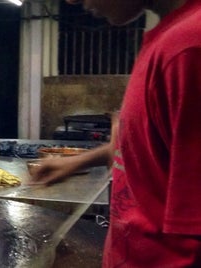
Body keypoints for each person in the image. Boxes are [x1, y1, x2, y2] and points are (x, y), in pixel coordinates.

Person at [30, 0, 201, 266]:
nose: (71, 1)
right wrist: (76, 162)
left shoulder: (189, 48)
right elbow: (143, 143)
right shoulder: (170, 38)